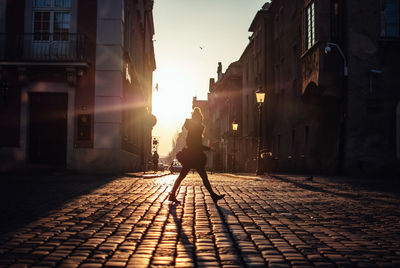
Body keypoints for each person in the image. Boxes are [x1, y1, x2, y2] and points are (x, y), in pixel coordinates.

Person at [169, 107, 225, 203]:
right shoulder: (197, 129)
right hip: (194, 157)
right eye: (201, 119)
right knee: (202, 177)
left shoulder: (192, 128)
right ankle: (213, 195)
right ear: (199, 118)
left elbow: (191, 143)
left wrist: (205, 148)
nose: (201, 120)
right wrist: (209, 148)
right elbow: (197, 145)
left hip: (191, 156)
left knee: (183, 176)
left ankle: (173, 194)